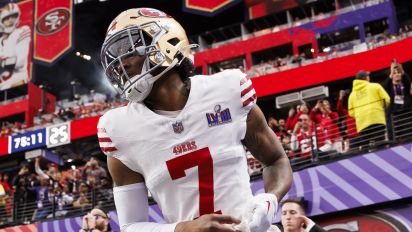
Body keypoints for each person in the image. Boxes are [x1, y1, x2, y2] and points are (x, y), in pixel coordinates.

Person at [98, 8, 292, 232]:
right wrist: (183, 229)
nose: (120, 65)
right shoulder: (119, 130)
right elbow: (131, 226)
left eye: (128, 48)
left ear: (165, 41)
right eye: (115, 54)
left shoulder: (228, 90)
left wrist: (270, 199)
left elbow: (276, 160)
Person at [348, 70, 390, 150]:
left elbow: (351, 112)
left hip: (362, 123)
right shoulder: (375, 86)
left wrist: (359, 114)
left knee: (365, 146)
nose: (369, 77)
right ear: (365, 78)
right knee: (380, 142)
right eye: (368, 76)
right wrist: (378, 108)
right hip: (376, 118)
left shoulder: (352, 95)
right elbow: (387, 100)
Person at [0, 3, 31, 90]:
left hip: (17, 81)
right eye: (6, 18)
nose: (10, 20)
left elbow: (20, 62)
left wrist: (2, 62)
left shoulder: (22, 31)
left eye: (13, 16)